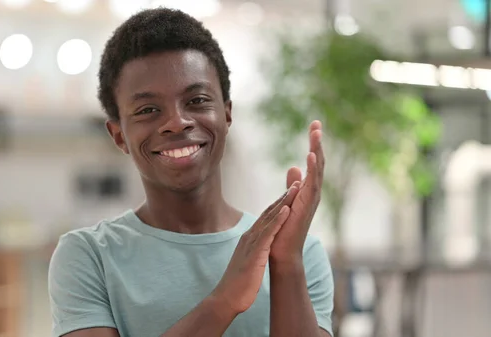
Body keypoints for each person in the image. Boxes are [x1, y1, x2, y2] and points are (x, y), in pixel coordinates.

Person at [49, 7, 333, 337]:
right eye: (148, 110)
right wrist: (225, 299)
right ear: (119, 136)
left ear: (227, 114)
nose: (177, 122)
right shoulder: (88, 256)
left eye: (197, 100)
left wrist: (285, 265)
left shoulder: (300, 254)